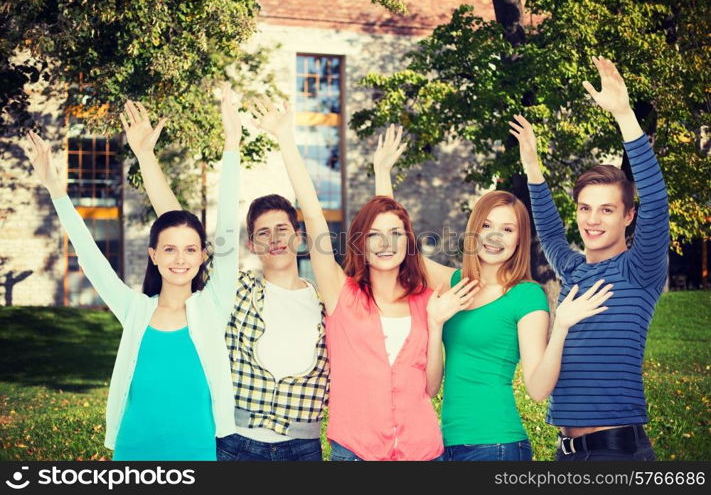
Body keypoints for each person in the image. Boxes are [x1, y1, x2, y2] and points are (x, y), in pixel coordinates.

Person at [247, 98, 479, 461]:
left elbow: (431, 388)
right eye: (374, 236)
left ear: (409, 241)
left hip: (423, 453)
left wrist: (435, 324)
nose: (386, 244)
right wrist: (285, 140)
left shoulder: (426, 301)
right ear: (360, 243)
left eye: (397, 235)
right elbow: (312, 211)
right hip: (355, 452)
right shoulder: (342, 294)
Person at [22, 85, 240, 460]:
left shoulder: (213, 306)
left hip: (196, 453)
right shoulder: (136, 310)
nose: (180, 259)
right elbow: (91, 259)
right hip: (133, 451)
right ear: (153, 255)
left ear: (204, 256)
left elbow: (228, 232)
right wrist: (56, 188)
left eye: (190, 249)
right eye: (169, 249)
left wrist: (232, 143)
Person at [374, 126, 612, 461]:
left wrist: (561, 328)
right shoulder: (455, 283)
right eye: (487, 225)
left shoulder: (526, 296)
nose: (495, 236)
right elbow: (401, 250)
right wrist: (383, 173)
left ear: (519, 239)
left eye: (507, 229)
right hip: (446, 444)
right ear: (474, 230)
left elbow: (538, 388)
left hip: (497, 445)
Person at [126, 89, 328, 461]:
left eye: (282, 229)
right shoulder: (235, 290)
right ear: (251, 244)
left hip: (303, 447)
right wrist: (145, 156)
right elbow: (178, 225)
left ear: (298, 237)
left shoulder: (325, 299)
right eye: (262, 233)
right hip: (238, 444)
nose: (274, 239)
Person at [512, 56, 669, 461]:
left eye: (606, 209)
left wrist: (624, 115)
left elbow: (656, 199)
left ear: (628, 215)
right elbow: (548, 230)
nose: (592, 220)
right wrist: (532, 166)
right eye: (585, 208)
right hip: (566, 452)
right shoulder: (574, 269)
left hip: (615, 453)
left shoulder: (640, 269)